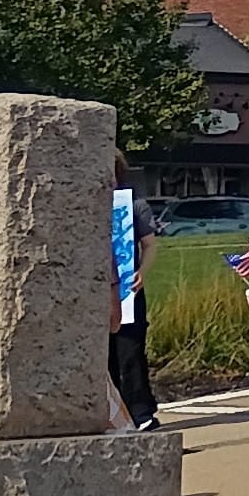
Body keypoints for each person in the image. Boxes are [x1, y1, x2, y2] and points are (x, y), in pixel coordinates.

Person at [108, 151, 160, 432]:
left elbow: (150, 244)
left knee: (131, 351)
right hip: (99, 292)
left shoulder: (133, 206)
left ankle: (141, 411)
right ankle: (114, 413)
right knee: (105, 357)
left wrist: (142, 270)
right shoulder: (83, 205)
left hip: (128, 289)